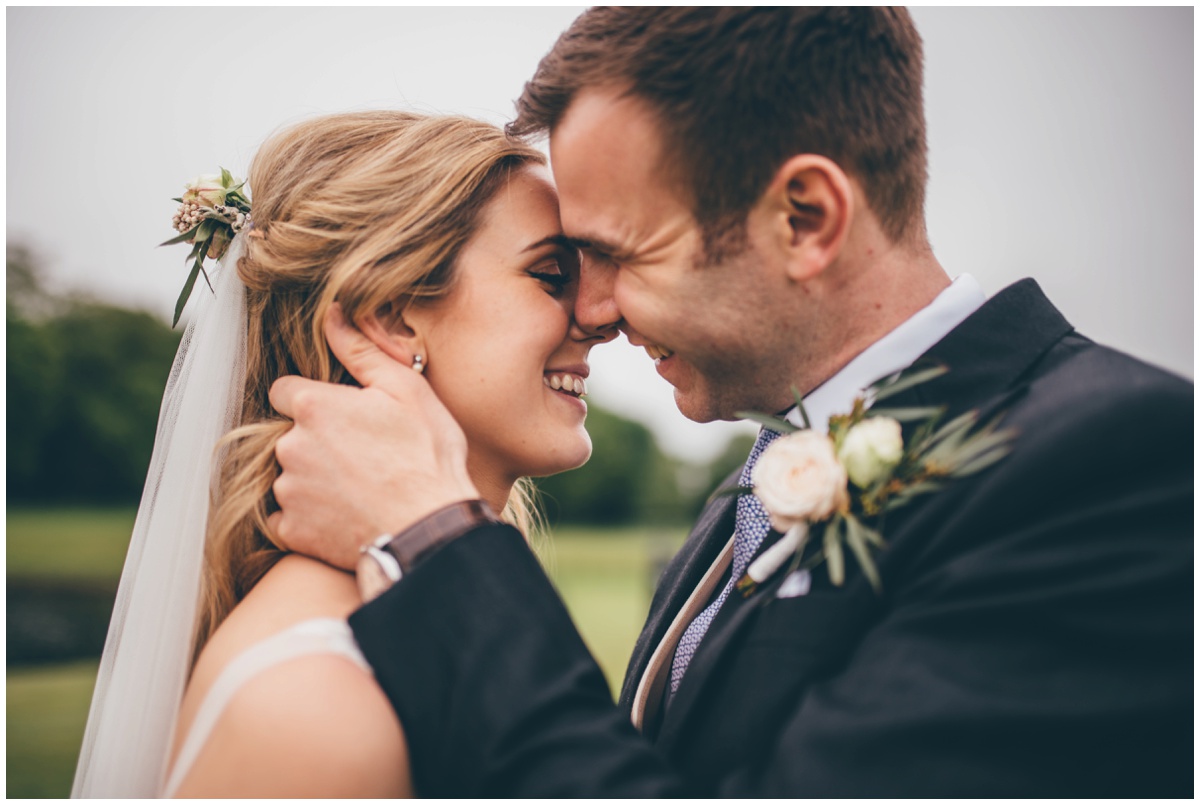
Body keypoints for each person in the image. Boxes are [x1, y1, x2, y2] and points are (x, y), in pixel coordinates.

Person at [268, 7, 1192, 798]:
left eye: (619, 255)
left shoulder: (1123, 472)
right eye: (561, 266)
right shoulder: (750, 498)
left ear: (806, 219)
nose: (592, 311)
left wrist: (436, 541)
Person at [72, 110, 608, 796]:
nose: (600, 315)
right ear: (388, 316)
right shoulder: (318, 707)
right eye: (552, 273)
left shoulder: (423, 621)